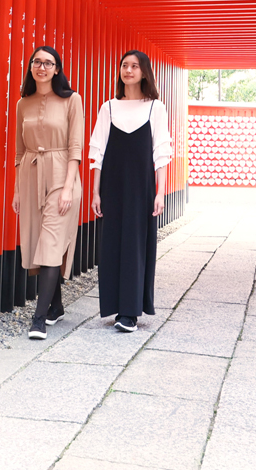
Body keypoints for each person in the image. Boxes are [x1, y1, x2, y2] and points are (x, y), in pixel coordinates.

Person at [89, 50, 172, 332]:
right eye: (125, 65)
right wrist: (95, 193)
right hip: (111, 186)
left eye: (135, 66)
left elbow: (161, 152)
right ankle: (114, 306)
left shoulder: (155, 108)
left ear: (144, 72)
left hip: (141, 187)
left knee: (136, 245)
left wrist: (160, 193)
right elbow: (97, 153)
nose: (128, 70)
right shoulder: (108, 107)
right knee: (111, 243)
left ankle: (130, 312)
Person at [13, 45, 84, 340]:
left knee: (52, 241)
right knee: (36, 241)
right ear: (30, 67)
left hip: (61, 176)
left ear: (57, 69)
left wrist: (68, 188)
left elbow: (75, 148)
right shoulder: (22, 103)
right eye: (36, 62)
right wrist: (18, 190)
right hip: (30, 175)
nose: (42, 67)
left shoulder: (71, 100)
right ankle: (55, 306)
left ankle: (39, 318)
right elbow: (19, 151)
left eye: (48, 63)